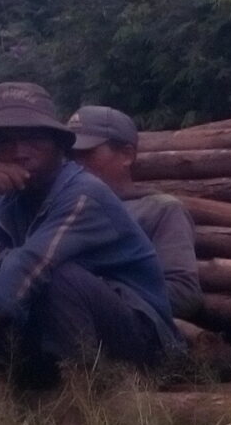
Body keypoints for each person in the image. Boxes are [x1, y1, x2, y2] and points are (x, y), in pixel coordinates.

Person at [0, 82, 176, 392]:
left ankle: (79, 398)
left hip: (138, 341)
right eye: (5, 142)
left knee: (60, 278)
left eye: (34, 138)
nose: (19, 152)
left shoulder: (83, 194)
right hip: (39, 329)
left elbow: (31, 266)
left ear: (57, 144)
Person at [68, 104, 202, 319]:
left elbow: (184, 294)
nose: (76, 165)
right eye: (71, 156)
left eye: (87, 154)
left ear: (127, 155)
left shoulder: (160, 210)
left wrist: (98, 293)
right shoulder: (60, 209)